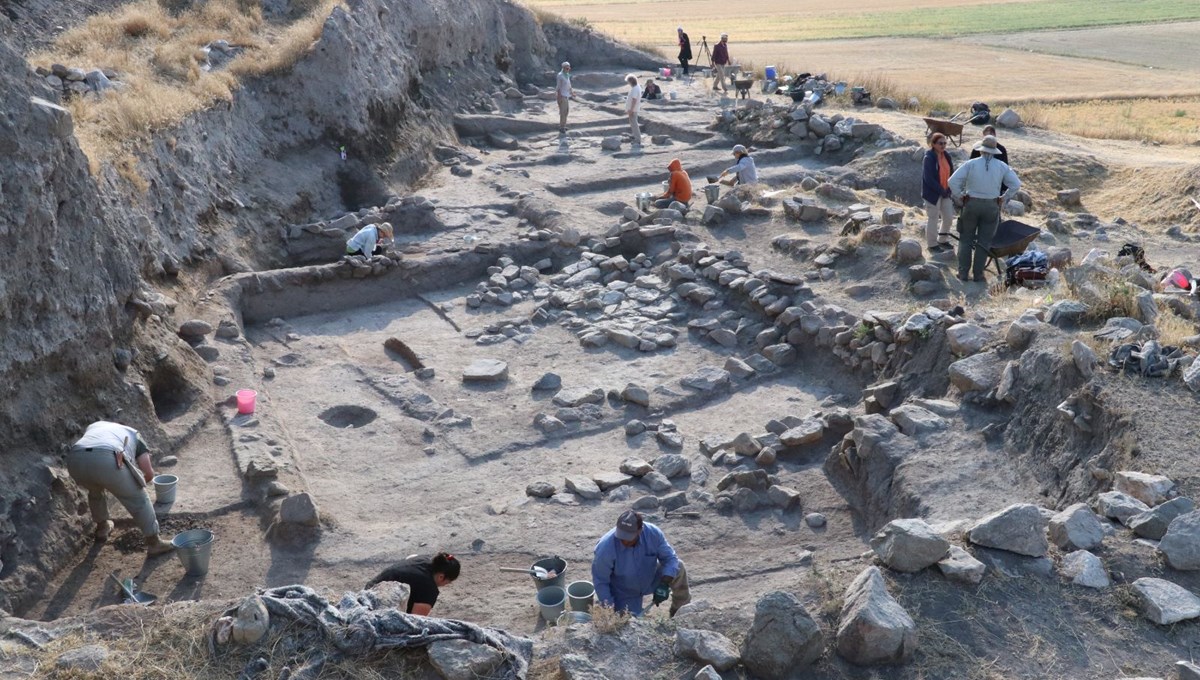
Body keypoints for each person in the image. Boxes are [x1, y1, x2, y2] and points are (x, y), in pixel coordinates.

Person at [66, 421, 175, 556]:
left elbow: (91, 452)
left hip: (75, 460)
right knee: (139, 499)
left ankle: (102, 527)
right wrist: (130, 490)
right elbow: (148, 473)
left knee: (95, 491)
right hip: (105, 457)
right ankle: (154, 543)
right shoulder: (135, 435)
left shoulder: (96, 426)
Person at [948, 135, 1021, 282]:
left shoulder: (971, 164)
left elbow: (952, 181)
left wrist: (960, 195)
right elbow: (1016, 184)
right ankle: (978, 274)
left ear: (981, 150)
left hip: (971, 204)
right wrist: (1004, 198)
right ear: (994, 151)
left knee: (966, 239)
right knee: (984, 241)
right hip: (991, 205)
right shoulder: (1001, 166)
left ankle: (963, 273)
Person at [592, 510, 690, 616]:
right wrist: (609, 610)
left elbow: (670, 558)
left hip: (650, 578)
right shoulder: (605, 548)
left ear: (640, 530)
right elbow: (601, 582)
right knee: (628, 622)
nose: (624, 541)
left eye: (629, 538)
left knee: (678, 567)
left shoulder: (653, 533)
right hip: (623, 592)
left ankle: (680, 612)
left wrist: (664, 583)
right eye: (621, 536)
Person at [365, 552, 461, 616]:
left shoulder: (422, 559)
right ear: (441, 577)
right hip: (374, 608)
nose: (446, 585)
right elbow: (416, 621)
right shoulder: (429, 589)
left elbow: (410, 557)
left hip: (368, 590)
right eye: (448, 582)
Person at [921, 132, 955, 254]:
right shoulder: (929, 157)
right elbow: (928, 179)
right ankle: (932, 244)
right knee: (933, 218)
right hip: (932, 194)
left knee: (948, 217)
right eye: (940, 143)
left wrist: (949, 188)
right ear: (933, 144)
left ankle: (942, 239)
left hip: (946, 192)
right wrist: (941, 190)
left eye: (945, 143)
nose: (943, 145)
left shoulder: (946, 155)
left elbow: (952, 173)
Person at [556, 61, 575, 134]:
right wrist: (559, 96)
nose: (568, 69)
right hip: (562, 95)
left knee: (566, 111)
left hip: (567, 95)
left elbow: (569, 85)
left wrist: (572, 92)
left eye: (568, 68)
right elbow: (558, 87)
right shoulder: (560, 75)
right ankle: (561, 127)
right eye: (567, 68)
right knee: (563, 112)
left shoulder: (567, 75)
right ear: (563, 68)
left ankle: (563, 125)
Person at [624, 74, 642, 148]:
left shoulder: (635, 88)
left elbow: (634, 100)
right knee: (633, 123)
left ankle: (637, 139)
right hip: (633, 109)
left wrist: (631, 109)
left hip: (633, 109)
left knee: (634, 124)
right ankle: (635, 137)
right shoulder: (637, 87)